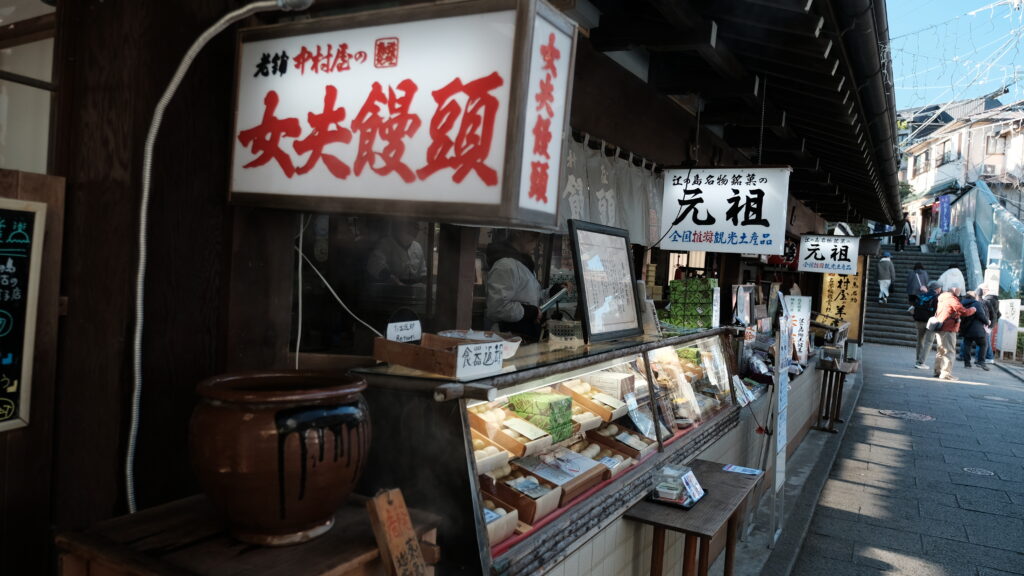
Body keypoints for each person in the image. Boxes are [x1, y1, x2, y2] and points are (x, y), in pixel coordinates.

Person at [484, 230, 560, 343]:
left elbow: (532, 300)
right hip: (508, 337)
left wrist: (551, 293)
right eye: (533, 237)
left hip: (526, 336)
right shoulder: (505, 265)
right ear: (518, 233)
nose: (535, 243)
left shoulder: (523, 263)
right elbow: (497, 308)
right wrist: (529, 312)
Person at [933, 285, 976, 381]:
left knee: (941, 350)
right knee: (949, 351)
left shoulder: (942, 297)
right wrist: (973, 310)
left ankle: (938, 371)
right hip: (949, 327)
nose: (960, 293)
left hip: (940, 326)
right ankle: (946, 374)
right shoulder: (951, 299)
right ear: (954, 290)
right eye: (959, 291)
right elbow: (964, 311)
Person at [366, 219, 427, 285]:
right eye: (413, 227)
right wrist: (390, 278)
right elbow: (374, 263)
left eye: (417, 228)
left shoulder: (417, 246)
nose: (416, 231)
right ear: (402, 227)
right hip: (391, 288)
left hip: (414, 288)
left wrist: (423, 283)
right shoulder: (386, 243)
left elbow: (423, 272)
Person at [912, 280, 941, 370]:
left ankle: (918, 360)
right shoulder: (936, 298)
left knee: (920, 341)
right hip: (930, 322)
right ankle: (921, 362)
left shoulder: (921, 295)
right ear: (937, 289)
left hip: (918, 321)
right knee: (928, 342)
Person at [958, 290, 990, 371]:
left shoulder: (961, 303)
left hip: (966, 328)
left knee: (967, 345)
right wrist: (987, 322)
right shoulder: (976, 303)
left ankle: (967, 363)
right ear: (974, 296)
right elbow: (980, 315)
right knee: (983, 344)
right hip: (977, 329)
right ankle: (981, 361)